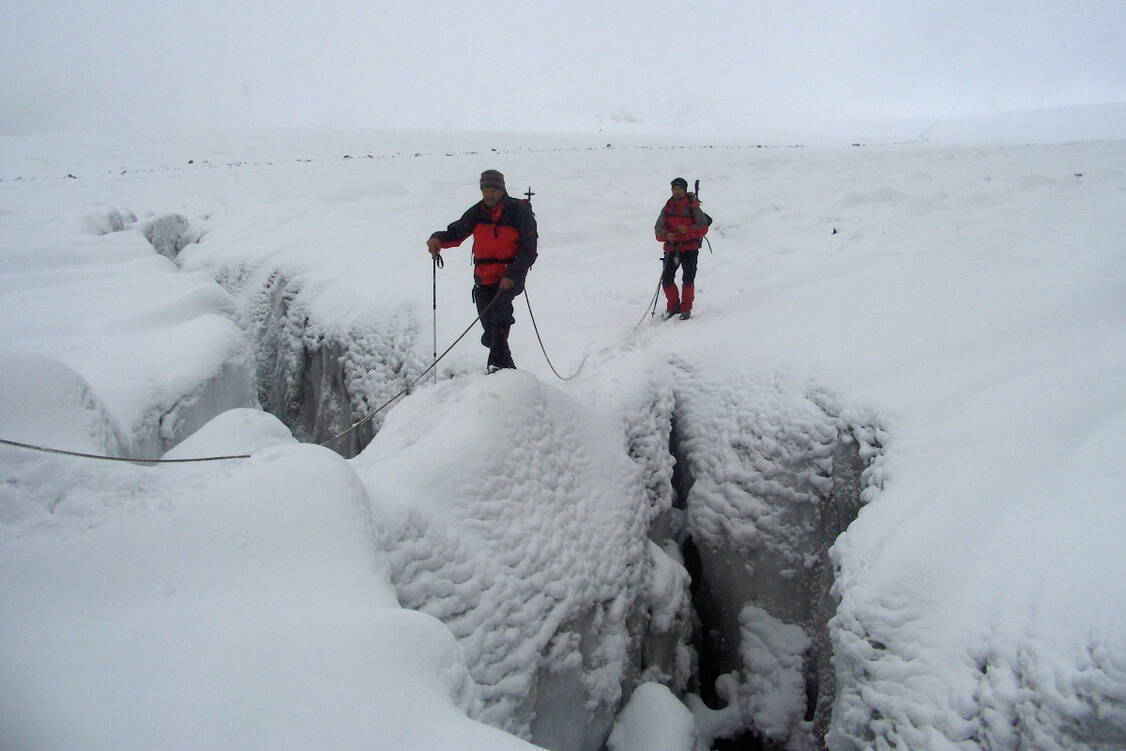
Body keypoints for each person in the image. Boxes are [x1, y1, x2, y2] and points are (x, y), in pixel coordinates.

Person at [427, 170, 538, 371]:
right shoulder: (477, 212)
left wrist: (512, 275)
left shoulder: (518, 213)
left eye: (493, 190)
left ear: (502, 190)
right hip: (483, 278)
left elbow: (529, 250)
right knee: (490, 328)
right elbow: (456, 232)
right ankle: (505, 365)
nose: (488, 195)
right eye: (485, 190)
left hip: (509, 277)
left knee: (500, 318)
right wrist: (438, 239)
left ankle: (496, 366)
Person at [654, 177, 708, 320]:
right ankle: (673, 307)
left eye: (679, 189)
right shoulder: (668, 206)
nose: (676, 192)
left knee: (688, 278)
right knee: (667, 279)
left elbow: (703, 226)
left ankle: (685, 309)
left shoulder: (693, 206)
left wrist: (687, 231)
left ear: (684, 190)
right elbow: (658, 229)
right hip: (672, 248)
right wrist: (667, 235)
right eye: (674, 189)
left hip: (690, 248)